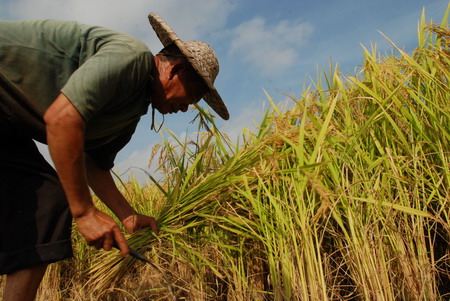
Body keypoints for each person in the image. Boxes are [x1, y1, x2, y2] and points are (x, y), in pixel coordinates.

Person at [0, 12, 229, 301]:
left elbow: (92, 162)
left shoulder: (132, 111)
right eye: (191, 99)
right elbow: (62, 119)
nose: (184, 109)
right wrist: (84, 212)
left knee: (46, 203)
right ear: (176, 70)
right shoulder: (131, 57)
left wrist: (128, 216)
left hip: (7, 123)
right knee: (55, 200)